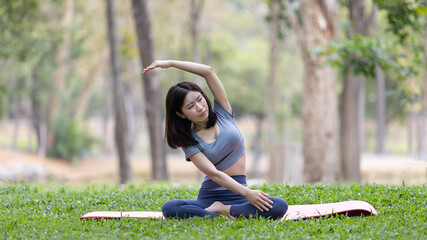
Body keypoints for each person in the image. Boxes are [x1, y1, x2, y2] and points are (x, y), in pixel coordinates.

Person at [143, 60, 288, 219]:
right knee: (170, 207)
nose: (199, 107)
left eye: (199, 99)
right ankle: (218, 212)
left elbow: (208, 71)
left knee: (279, 206)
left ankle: (222, 210)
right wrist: (248, 193)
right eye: (190, 106)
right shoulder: (188, 139)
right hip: (209, 199)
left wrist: (171, 63)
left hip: (239, 198)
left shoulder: (223, 112)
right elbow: (213, 173)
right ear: (181, 114)